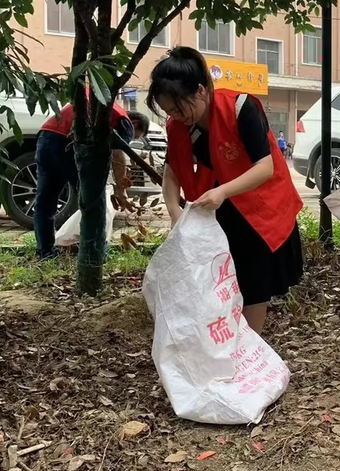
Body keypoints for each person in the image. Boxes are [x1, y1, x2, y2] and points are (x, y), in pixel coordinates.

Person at [150, 48, 303, 333]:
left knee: (254, 283)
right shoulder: (178, 126)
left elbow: (265, 166)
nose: (175, 116)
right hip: (216, 208)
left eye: (179, 108)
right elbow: (171, 174)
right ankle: (226, 339)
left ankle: (248, 348)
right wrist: (174, 213)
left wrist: (223, 192)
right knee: (221, 278)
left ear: (200, 91)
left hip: (259, 205)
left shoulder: (241, 107)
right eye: (169, 111)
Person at [33, 94, 140, 260]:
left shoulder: (101, 99)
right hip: (70, 142)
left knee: (45, 203)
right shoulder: (123, 121)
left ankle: (45, 252)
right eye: (136, 136)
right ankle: (94, 253)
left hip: (46, 136)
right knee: (93, 199)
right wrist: (120, 190)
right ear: (135, 124)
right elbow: (119, 155)